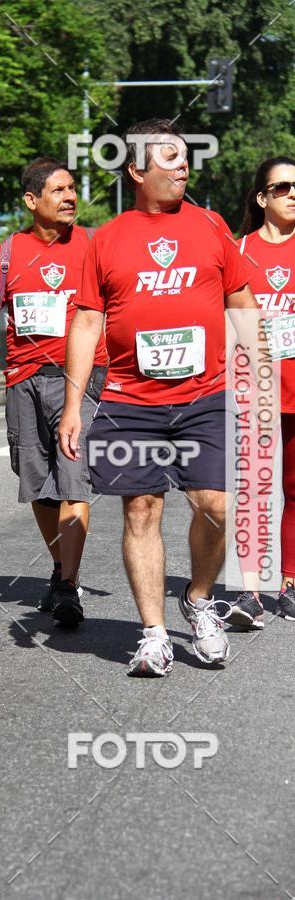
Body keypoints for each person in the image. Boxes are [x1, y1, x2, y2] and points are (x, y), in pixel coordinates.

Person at [60, 118, 259, 676]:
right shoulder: (106, 239)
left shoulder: (211, 226)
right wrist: (74, 406)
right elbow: (87, 322)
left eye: (184, 156)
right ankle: (153, 634)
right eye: (169, 157)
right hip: (130, 400)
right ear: (136, 171)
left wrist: (257, 379)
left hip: (206, 394)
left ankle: (198, 599)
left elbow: (242, 303)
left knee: (215, 505)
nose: (182, 165)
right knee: (141, 509)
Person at [0, 158, 108, 626]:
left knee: (73, 478)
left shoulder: (93, 245)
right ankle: (59, 567)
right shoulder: (8, 254)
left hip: (81, 380)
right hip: (23, 380)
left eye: (72, 189)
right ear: (31, 200)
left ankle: (69, 583)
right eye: (58, 190)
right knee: (38, 485)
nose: (70, 197)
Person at [228, 156, 295, 628]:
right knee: (251, 490)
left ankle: (290, 582)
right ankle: (249, 591)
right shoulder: (238, 251)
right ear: (261, 197)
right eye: (282, 187)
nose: (293, 194)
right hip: (253, 388)